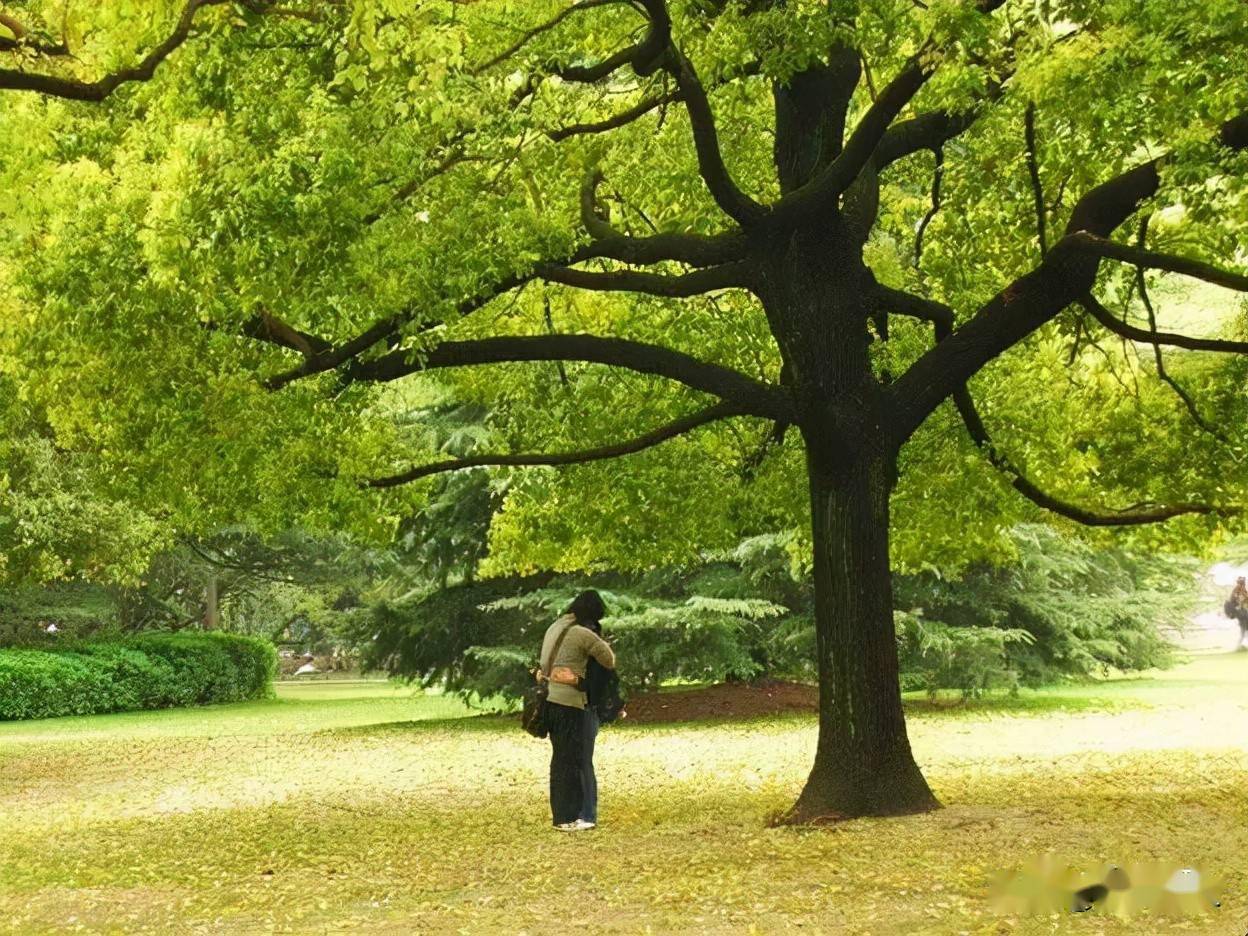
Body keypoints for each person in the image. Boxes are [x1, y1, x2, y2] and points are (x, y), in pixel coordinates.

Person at [536, 590, 615, 831]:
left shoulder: (553, 628)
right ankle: (578, 816)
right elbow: (609, 660)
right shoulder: (582, 633)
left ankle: (560, 815)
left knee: (560, 761)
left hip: (551, 702)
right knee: (578, 762)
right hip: (572, 703)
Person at [1226, 577, 1248, 649]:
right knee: (1243, 632)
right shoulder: (1237, 590)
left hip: (1243, 613)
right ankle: (1239, 646)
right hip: (1241, 614)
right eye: (1242, 582)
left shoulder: (1241, 589)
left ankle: (1240, 646)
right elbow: (1237, 600)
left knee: (1244, 632)